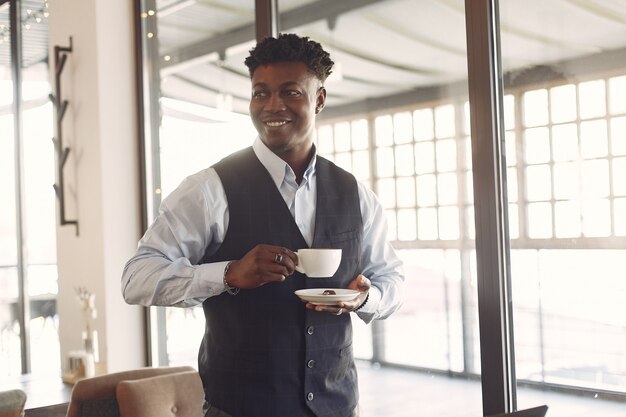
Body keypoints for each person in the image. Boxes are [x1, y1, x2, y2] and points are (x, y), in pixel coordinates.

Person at [122, 33, 404, 417]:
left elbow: (391, 278)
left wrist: (365, 298)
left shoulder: (355, 193)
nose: (272, 106)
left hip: (337, 406)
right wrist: (229, 274)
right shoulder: (209, 189)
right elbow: (136, 277)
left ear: (319, 99)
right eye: (260, 93)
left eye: (290, 92)